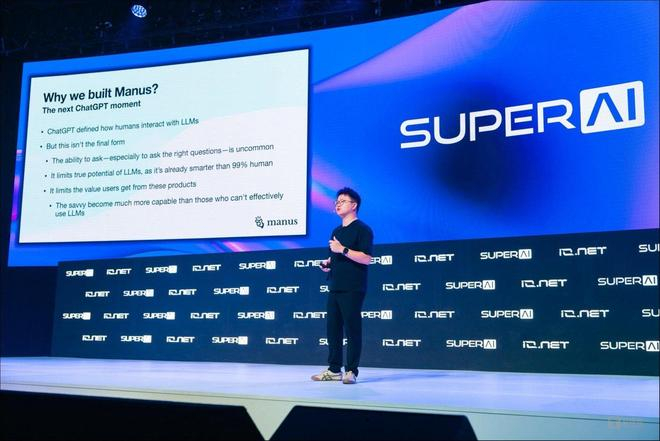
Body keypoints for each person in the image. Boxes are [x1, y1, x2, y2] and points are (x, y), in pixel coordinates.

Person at [312, 187, 373, 384]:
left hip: (353, 287)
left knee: (352, 329)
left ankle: (351, 371)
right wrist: (327, 264)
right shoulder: (336, 231)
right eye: (336, 201)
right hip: (335, 285)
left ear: (354, 205)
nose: (338, 204)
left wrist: (342, 249)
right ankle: (334, 370)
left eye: (343, 201)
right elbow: (335, 257)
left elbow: (366, 258)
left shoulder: (363, 229)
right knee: (333, 329)